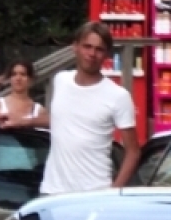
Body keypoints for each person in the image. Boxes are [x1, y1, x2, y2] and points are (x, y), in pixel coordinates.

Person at [40, 22, 140, 195]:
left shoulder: (118, 96)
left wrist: (114, 193)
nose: (92, 54)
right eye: (87, 46)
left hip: (94, 193)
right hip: (52, 190)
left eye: (99, 49)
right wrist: (20, 121)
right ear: (75, 47)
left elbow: (133, 151)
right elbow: (60, 119)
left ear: (106, 55)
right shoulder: (60, 80)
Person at [0, 59, 49, 128]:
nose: (18, 78)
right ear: (10, 79)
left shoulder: (39, 110)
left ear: (30, 79)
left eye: (23, 74)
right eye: (14, 74)